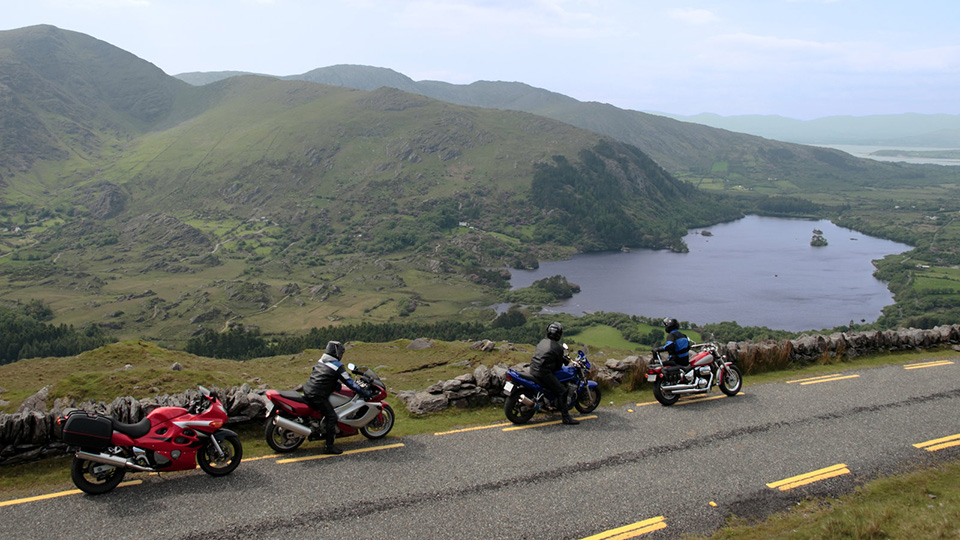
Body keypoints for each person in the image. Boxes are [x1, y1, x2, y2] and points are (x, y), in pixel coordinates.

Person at [303, 341, 370, 454]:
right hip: (317, 395)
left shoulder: (322, 360)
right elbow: (349, 382)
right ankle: (329, 447)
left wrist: (336, 385)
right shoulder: (336, 366)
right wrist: (363, 392)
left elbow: (323, 376)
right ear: (336, 352)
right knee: (332, 417)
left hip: (308, 390)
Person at [529, 322, 579, 425]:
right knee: (562, 391)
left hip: (533, 369)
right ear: (559, 334)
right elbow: (558, 367)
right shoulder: (558, 348)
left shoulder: (543, 341)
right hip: (543, 373)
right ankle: (566, 418)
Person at [655, 318, 693, 382]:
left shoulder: (671, 336)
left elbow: (670, 345)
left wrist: (659, 349)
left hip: (675, 361)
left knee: (657, 364)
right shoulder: (683, 336)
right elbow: (688, 347)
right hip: (685, 361)